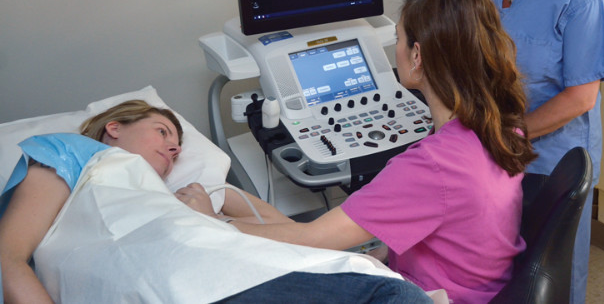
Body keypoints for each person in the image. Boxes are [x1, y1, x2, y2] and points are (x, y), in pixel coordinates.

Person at [208, 0, 536, 303]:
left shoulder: (432, 165)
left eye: (399, 39)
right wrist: (227, 206)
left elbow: (311, 237)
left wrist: (212, 227)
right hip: (488, 289)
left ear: (418, 56)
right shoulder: (502, 124)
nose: (397, 51)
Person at [0, 100, 430, 303]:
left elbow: (295, 238)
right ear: (114, 127)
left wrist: (209, 213)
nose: (173, 149)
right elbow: (10, 258)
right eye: (162, 132)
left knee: (387, 290)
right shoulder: (75, 152)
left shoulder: (177, 200)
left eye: (179, 144)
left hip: (225, 269)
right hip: (170, 280)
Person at [465, 0, 604, 302]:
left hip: (552, 159)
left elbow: (580, 97)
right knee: (492, 267)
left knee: (547, 277)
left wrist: (507, 135)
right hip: (492, 144)